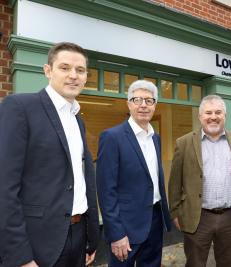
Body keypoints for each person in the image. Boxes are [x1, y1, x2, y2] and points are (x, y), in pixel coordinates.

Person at [0, 42, 99, 267]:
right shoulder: (20, 107)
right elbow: (4, 187)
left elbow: (81, 181)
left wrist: (90, 238)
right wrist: (19, 256)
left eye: (80, 70)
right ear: (48, 71)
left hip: (78, 236)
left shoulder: (77, 120)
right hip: (38, 245)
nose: (73, 75)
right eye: (64, 68)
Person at [168, 94, 231, 267]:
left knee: (228, 263)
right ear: (200, 116)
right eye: (208, 113)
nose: (213, 117)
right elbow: (174, 183)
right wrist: (176, 212)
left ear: (225, 115)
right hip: (198, 217)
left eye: (218, 112)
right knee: (195, 263)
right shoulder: (184, 143)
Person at [96, 80, 171, 267]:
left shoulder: (156, 138)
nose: (143, 105)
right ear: (128, 103)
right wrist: (116, 233)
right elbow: (106, 191)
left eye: (149, 100)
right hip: (126, 226)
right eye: (137, 100)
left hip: (155, 219)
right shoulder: (112, 137)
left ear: (155, 105)